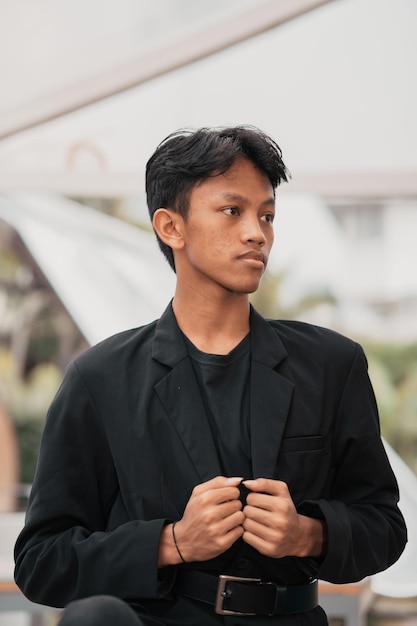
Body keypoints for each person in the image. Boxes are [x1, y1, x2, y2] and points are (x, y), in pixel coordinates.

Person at [14, 125, 407, 625]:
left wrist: (308, 533)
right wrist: (171, 543)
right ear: (170, 227)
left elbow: (385, 527)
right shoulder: (100, 379)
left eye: (267, 215)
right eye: (232, 211)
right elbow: (41, 562)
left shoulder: (332, 364)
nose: (256, 232)